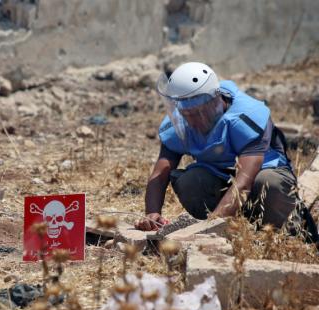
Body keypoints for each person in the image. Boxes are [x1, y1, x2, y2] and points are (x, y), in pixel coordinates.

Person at [135, 62, 316, 240]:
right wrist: (152, 214)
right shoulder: (179, 124)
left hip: (262, 175)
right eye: (187, 115)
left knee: (269, 182)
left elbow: (244, 182)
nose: (195, 121)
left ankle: (285, 236)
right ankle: (229, 235)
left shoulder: (246, 118)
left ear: (217, 100)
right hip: (219, 178)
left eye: (199, 113)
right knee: (190, 181)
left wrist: (211, 227)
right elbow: (160, 174)